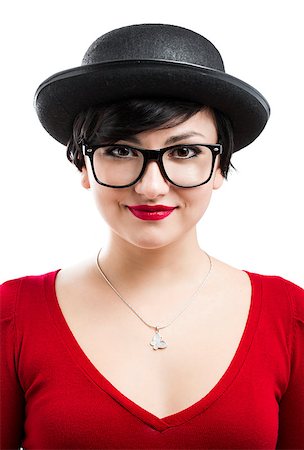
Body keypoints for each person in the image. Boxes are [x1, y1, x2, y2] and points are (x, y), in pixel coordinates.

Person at [0, 23, 303, 450]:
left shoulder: (290, 316)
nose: (152, 187)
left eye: (183, 151)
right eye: (121, 150)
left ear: (219, 167)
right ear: (84, 166)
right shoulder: (13, 315)